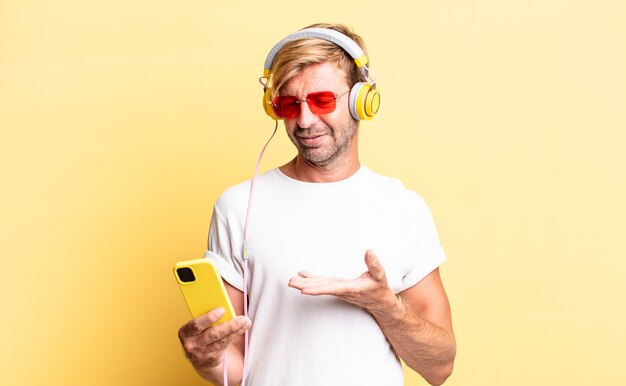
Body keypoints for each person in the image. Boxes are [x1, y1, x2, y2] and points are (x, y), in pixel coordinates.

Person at [178, 23, 456, 386]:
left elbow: (439, 368)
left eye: (323, 100)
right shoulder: (238, 207)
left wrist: (384, 304)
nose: (305, 120)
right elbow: (236, 368)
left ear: (362, 100)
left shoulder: (404, 207)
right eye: (290, 104)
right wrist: (207, 359)